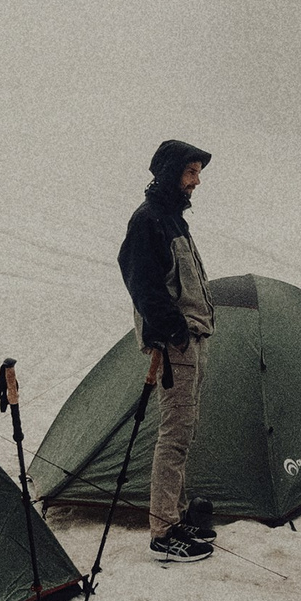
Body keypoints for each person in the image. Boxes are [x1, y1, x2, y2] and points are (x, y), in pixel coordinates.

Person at [119, 139, 216, 562]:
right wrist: (173, 331)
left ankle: (174, 518)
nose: (196, 182)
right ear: (170, 173)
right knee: (174, 434)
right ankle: (163, 531)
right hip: (176, 343)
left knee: (185, 429)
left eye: (198, 174)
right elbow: (142, 284)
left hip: (191, 339)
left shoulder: (172, 219)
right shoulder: (149, 221)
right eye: (190, 173)